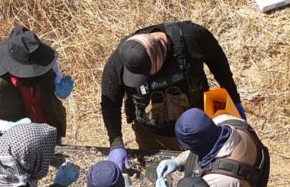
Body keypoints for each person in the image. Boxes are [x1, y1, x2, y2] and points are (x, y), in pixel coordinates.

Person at [101, 21, 243, 168]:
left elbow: (219, 64)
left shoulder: (191, 38)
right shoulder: (119, 60)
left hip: (197, 127)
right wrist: (116, 143)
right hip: (153, 135)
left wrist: (234, 100)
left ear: (159, 57)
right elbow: (110, 103)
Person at [0, 25, 74, 141]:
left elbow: (57, 83)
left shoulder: (46, 63)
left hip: (49, 136)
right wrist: (7, 126)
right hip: (13, 144)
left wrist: (61, 90)